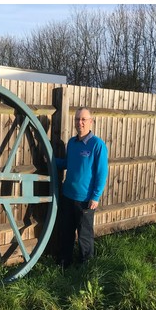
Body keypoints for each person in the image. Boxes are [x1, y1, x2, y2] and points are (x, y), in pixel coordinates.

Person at [55, 107, 109, 268]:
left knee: (84, 235)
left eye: (83, 119)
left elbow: (102, 172)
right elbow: (67, 164)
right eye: (77, 119)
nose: (80, 123)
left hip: (85, 199)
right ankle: (65, 263)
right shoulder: (72, 143)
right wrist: (51, 160)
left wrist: (96, 196)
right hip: (67, 195)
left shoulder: (97, 145)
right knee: (66, 232)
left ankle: (86, 266)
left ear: (90, 122)